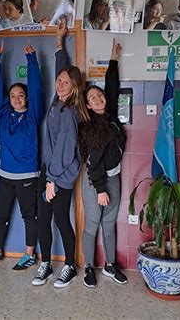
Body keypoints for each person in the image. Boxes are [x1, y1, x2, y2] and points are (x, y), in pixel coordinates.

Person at [32, 20, 88, 288]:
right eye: (59, 81)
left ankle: (69, 265)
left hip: (62, 174)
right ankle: (45, 263)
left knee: (61, 219)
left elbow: (65, 152)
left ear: (75, 86)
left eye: (66, 82)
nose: (60, 84)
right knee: (43, 218)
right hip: (49, 171)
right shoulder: (57, 101)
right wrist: (59, 41)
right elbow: (61, 70)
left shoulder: (70, 113)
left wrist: (52, 180)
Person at [0, 41, 43, 271]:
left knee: (30, 216)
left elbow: (36, 89)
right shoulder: (5, 112)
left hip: (27, 174)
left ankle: (29, 254)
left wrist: (32, 60)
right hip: (5, 175)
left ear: (26, 98)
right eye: (13, 95)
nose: (17, 99)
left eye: (20, 95)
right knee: (1, 215)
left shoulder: (33, 115)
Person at [79, 38, 128, 288]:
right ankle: (89, 267)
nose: (98, 98)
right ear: (87, 105)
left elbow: (112, 86)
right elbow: (93, 162)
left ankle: (109, 265)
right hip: (94, 181)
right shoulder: (91, 127)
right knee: (92, 224)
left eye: (99, 95)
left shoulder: (109, 117)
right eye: (93, 98)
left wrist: (113, 59)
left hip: (113, 177)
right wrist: (99, 190)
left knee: (109, 223)